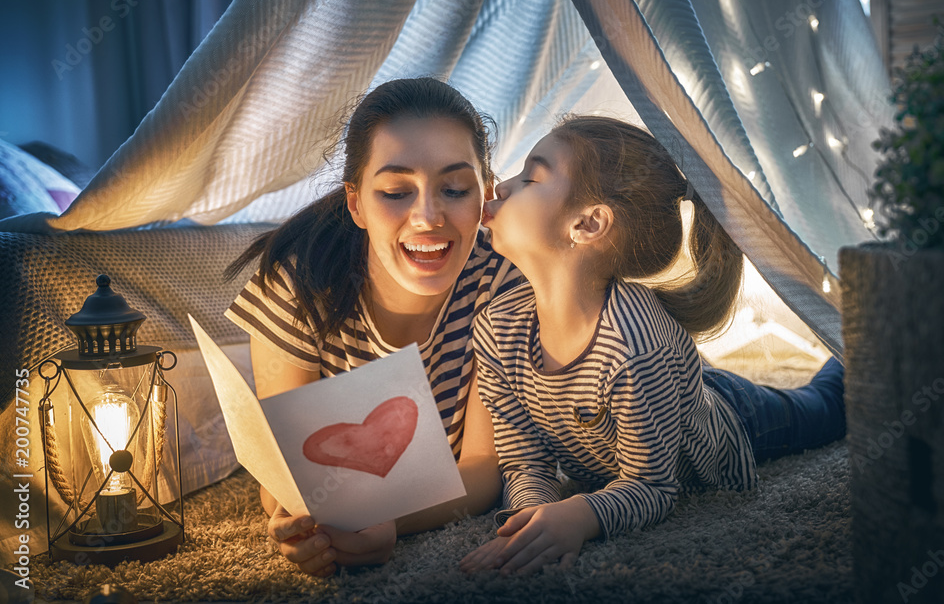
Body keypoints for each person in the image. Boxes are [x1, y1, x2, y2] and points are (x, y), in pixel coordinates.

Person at [459, 115, 845, 575]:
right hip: (666, 389)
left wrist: (582, 515)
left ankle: (859, 344)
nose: (500, 187)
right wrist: (530, 522)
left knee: (826, 406)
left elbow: (653, 487)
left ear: (588, 223)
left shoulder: (634, 350)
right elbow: (525, 461)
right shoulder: (496, 329)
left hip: (735, 416)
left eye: (531, 177)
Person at [224, 77, 522, 577]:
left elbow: (480, 473)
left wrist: (384, 521)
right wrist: (303, 526)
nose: (428, 217)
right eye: (395, 191)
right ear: (357, 203)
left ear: (486, 194)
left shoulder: (502, 285)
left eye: (454, 188)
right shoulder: (299, 284)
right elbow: (281, 469)